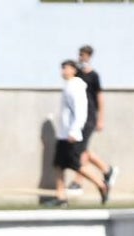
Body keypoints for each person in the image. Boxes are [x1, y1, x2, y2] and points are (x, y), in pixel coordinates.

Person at [49, 60, 109, 207]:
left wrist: (75, 131)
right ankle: (61, 197)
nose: (63, 71)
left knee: (76, 165)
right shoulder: (68, 86)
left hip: (71, 135)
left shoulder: (76, 86)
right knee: (58, 165)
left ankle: (101, 184)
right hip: (63, 134)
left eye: (66, 68)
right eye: (62, 69)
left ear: (74, 70)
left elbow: (81, 111)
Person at [76, 45, 118, 192]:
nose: (81, 57)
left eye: (83, 55)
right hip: (78, 117)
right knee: (81, 150)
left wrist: (101, 119)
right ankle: (107, 169)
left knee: (80, 150)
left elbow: (100, 97)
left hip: (89, 117)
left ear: (89, 56)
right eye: (80, 55)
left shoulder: (94, 76)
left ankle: (78, 181)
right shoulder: (77, 74)